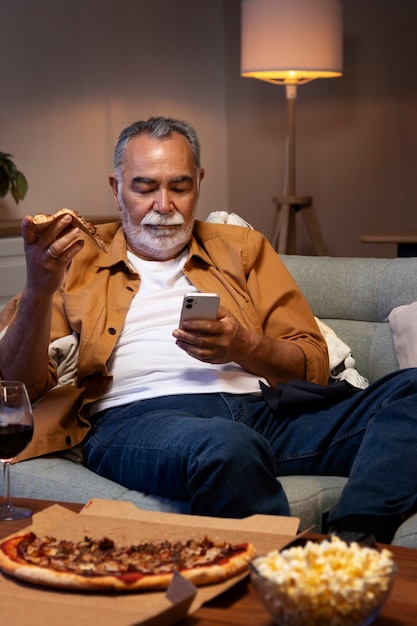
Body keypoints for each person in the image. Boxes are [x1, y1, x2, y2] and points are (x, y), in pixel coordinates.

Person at [0, 116, 416, 544]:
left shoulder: (241, 248)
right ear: (116, 186)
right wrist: (38, 288)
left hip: (266, 414)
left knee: (411, 389)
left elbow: (311, 364)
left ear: (199, 182)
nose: (164, 205)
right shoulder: (74, 259)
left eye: (179, 187)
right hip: (139, 420)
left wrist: (244, 345)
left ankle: (355, 539)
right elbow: (18, 385)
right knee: (226, 446)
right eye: (144, 188)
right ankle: (270, 586)